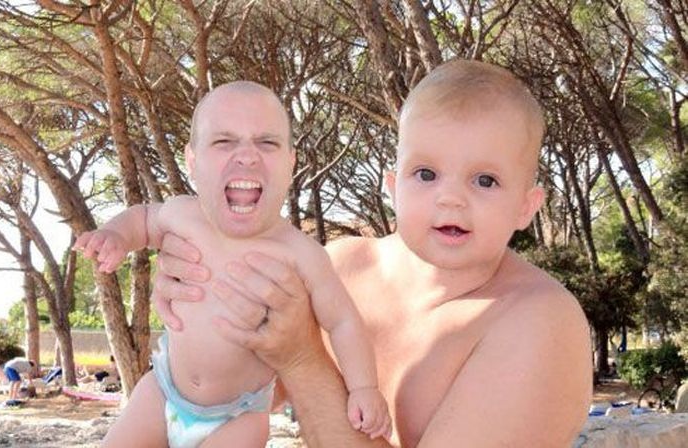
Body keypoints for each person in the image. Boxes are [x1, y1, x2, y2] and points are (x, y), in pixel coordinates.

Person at [154, 60, 593, 447]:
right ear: (393, 185)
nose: (451, 199)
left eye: (485, 181)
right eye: (426, 173)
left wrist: (303, 357)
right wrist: (201, 288)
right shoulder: (341, 267)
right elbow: (237, 393)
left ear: (526, 206)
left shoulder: (540, 321)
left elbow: (299, 366)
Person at [75, 81, 390, 448]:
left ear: (291, 162)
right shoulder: (183, 215)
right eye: (224, 141)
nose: (247, 156)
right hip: (162, 392)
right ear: (192, 160)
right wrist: (114, 235)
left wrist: (364, 388)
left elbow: (343, 321)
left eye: (267, 142)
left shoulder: (301, 253)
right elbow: (143, 219)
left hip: (239, 415)